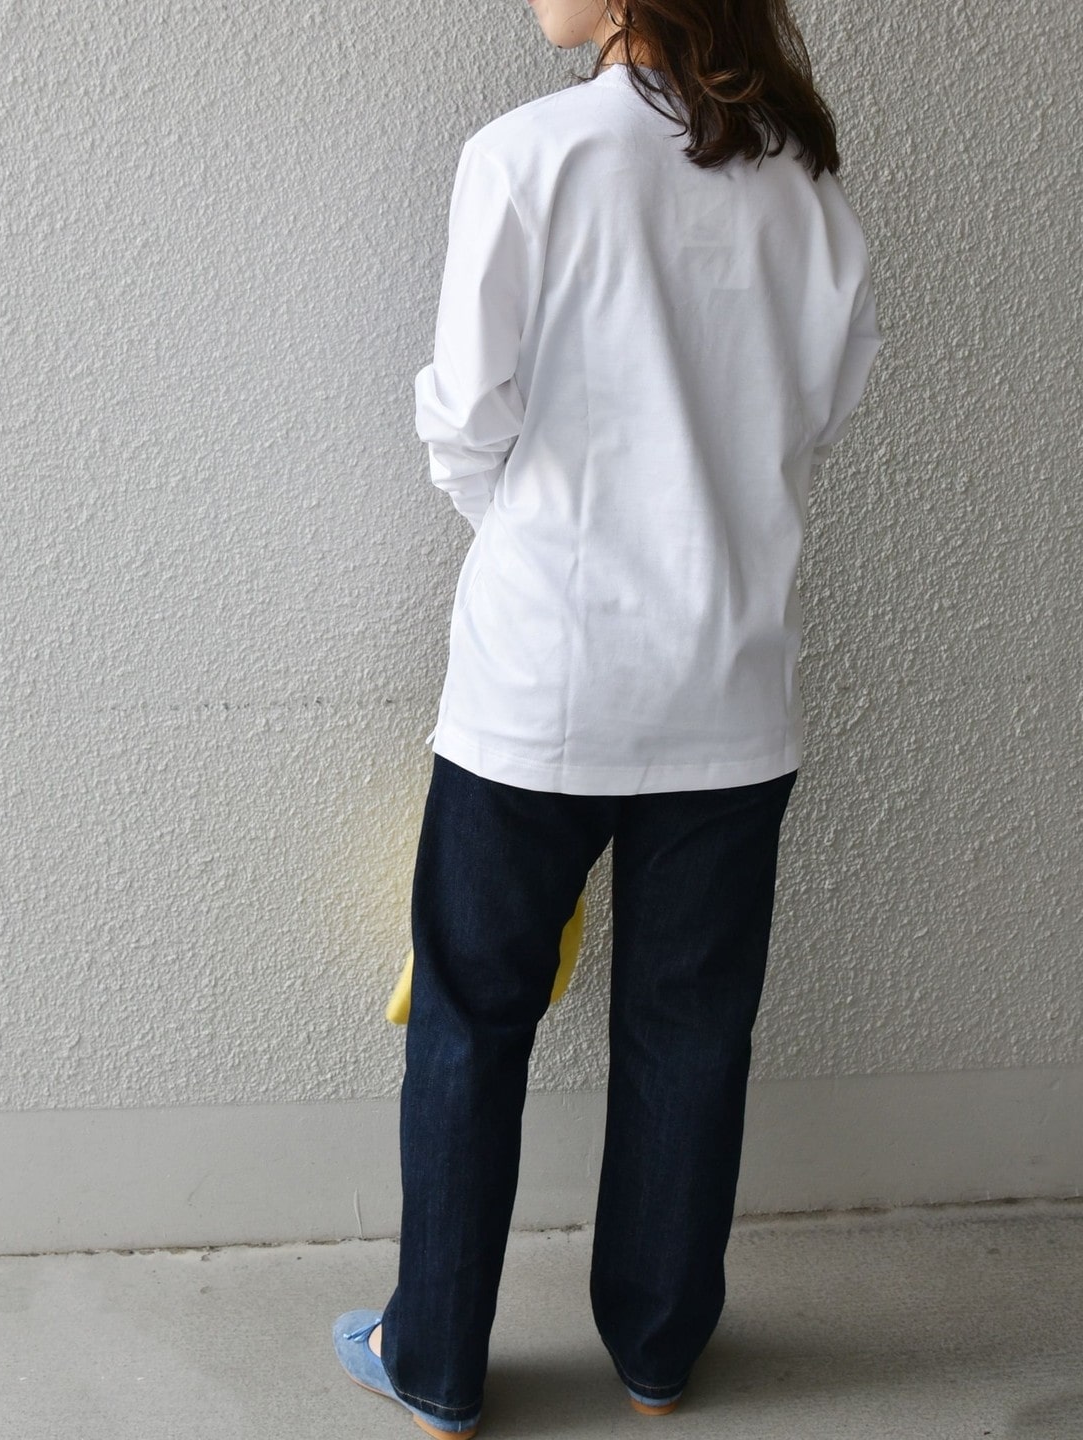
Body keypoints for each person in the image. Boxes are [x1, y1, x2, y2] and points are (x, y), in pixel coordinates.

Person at [333, 0, 883, 1434]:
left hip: (542, 683)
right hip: (729, 685)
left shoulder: (528, 156)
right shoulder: (803, 187)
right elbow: (820, 413)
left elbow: (465, 420)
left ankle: (436, 1364)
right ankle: (656, 1353)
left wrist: (547, 534)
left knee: (470, 1019)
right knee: (692, 1031)